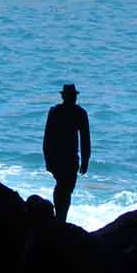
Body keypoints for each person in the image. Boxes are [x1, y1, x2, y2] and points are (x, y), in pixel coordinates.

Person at [42, 83, 91, 223]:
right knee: (65, 188)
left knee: (64, 187)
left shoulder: (70, 112)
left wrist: (85, 160)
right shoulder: (75, 113)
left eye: (73, 96)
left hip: (65, 158)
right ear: (65, 96)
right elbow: (48, 138)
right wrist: (85, 160)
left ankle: (60, 217)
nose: (73, 98)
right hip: (65, 158)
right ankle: (61, 218)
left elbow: (85, 140)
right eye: (72, 95)